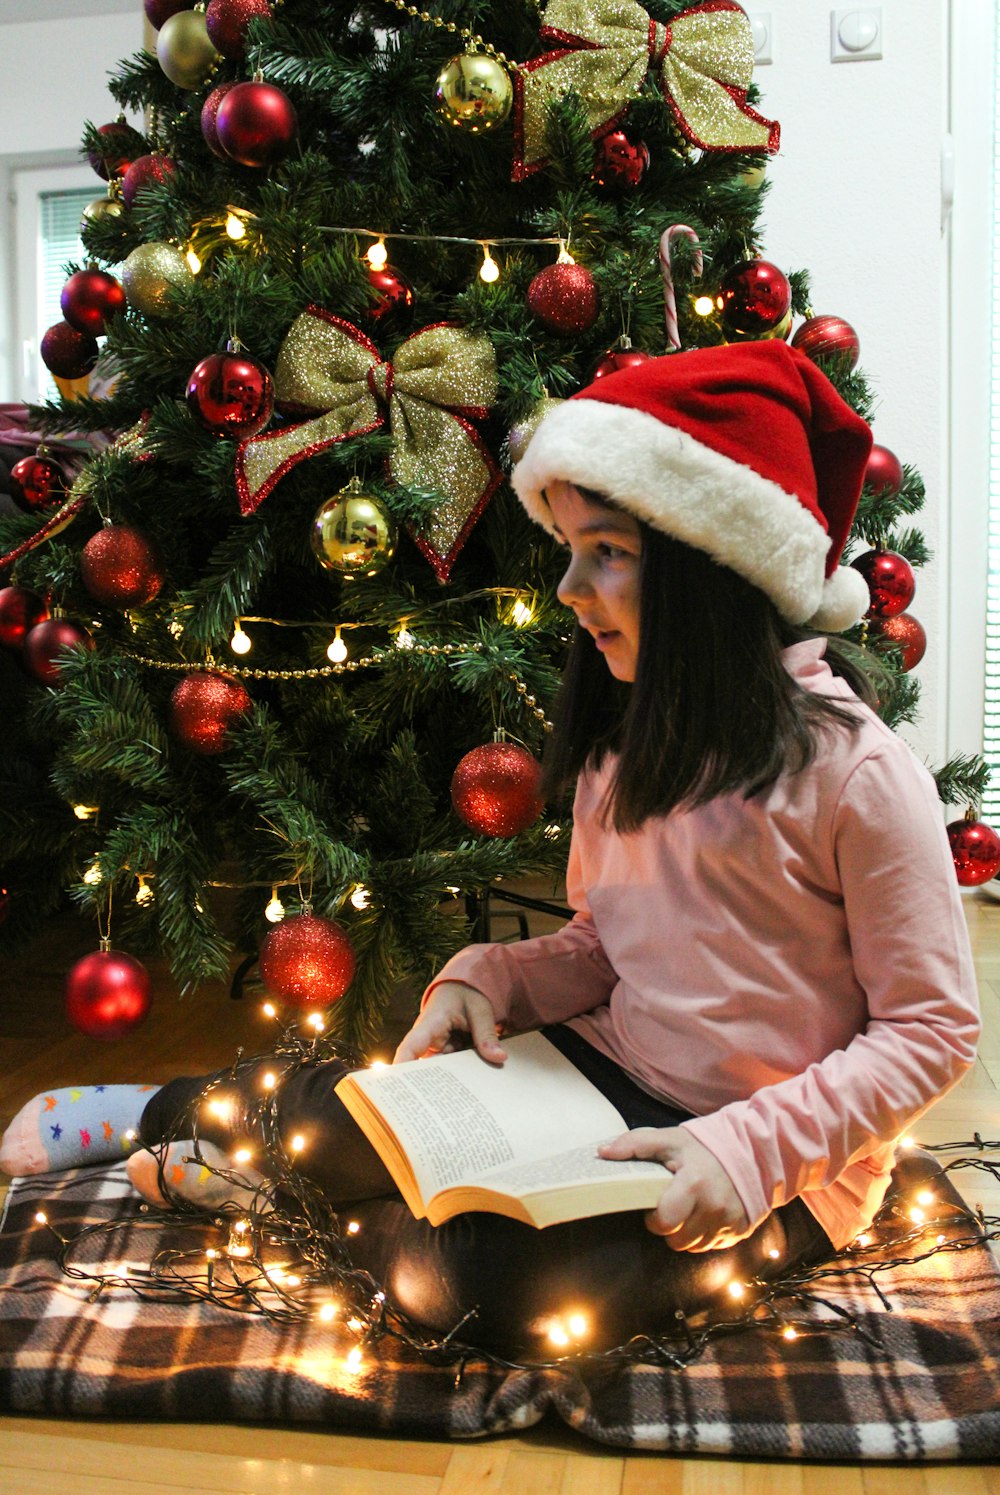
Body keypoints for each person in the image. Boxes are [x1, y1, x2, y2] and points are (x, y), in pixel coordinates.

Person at [1, 341, 980, 1356]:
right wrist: (492, 982)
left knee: (475, 1289)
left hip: (771, 1169)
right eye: (566, 549)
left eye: (604, 552)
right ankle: (160, 1115)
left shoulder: (856, 774)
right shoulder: (625, 744)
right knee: (344, 1113)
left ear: (712, 571)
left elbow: (932, 1029)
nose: (566, 587)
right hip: (593, 1078)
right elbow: (608, 946)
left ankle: (268, 1192)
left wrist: (746, 1155)